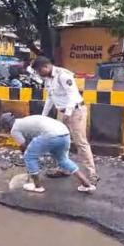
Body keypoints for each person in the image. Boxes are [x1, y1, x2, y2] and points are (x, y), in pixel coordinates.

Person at [31, 56, 99, 185]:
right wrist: (43, 115)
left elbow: (72, 94)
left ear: (46, 67)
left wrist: (68, 113)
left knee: (81, 143)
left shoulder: (63, 75)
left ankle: (92, 175)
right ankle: (64, 168)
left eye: (39, 71)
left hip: (75, 111)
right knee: (59, 141)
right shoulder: (47, 79)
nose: (39, 74)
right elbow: (50, 98)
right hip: (62, 112)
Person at [0, 113, 95, 193]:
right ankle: (86, 184)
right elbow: (31, 141)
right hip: (64, 133)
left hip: (50, 135)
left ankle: (37, 186)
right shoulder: (23, 121)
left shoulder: (14, 129)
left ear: (6, 125)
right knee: (63, 159)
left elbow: (24, 145)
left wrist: (28, 159)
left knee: (29, 157)